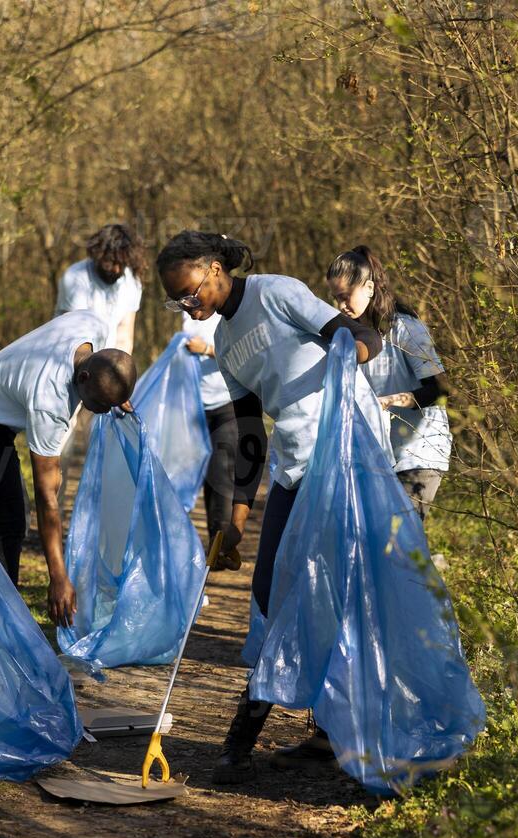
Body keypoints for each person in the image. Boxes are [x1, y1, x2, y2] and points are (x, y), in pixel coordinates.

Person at [154, 231, 390, 785]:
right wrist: (234, 523)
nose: (190, 306)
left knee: (349, 594)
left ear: (215, 269)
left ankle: (334, 736)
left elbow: (360, 335)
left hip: (346, 455)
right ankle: (256, 735)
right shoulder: (227, 341)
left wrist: (347, 361)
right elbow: (247, 436)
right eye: (179, 301)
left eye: (191, 292)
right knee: (268, 595)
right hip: (293, 466)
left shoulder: (277, 292)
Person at [0, 311, 137, 626]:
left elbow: (109, 371)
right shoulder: (50, 401)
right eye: (100, 404)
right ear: (84, 378)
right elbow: (47, 497)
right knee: (13, 516)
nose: (102, 412)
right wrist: (58, 577)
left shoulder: (93, 326)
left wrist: (116, 396)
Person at [325, 246, 451, 524]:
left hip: (420, 453)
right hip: (380, 456)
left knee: (400, 545)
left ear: (369, 287)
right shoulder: (350, 335)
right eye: (336, 299)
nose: (341, 306)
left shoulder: (405, 327)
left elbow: (439, 388)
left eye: (345, 297)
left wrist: (390, 401)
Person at [179, 310, 247, 570]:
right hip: (195, 404)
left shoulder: (229, 316)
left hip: (226, 403)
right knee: (203, 475)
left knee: (220, 476)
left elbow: (240, 356)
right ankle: (191, 548)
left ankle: (219, 549)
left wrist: (206, 349)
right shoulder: (188, 316)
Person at [55, 223, 146, 354]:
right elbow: (76, 338)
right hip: (69, 357)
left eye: (121, 264)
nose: (116, 269)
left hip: (106, 361)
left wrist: (117, 369)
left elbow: (124, 335)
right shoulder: (75, 278)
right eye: (110, 262)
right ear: (98, 255)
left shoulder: (132, 282)